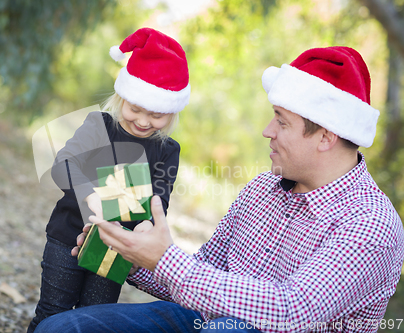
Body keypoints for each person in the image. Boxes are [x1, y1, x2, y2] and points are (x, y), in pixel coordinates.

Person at [34, 47, 404, 333]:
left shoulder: (371, 224)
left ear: (325, 136)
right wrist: (131, 253)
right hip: (205, 320)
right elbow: (203, 274)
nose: (267, 131)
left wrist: (164, 260)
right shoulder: (263, 189)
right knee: (63, 327)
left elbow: (292, 310)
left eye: (281, 122)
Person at [27, 27, 191, 333]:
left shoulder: (167, 150)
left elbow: (159, 200)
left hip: (115, 250)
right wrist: (93, 197)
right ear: (121, 97)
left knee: (94, 320)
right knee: (52, 313)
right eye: (135, 109)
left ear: (172, 110)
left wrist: (146, 227)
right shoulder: (99, 126)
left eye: (156, 115)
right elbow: (62, 166)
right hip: (68, 237)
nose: (143, 121)